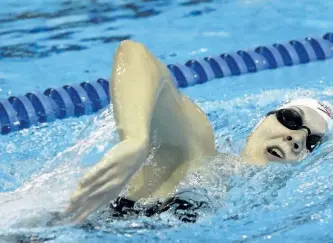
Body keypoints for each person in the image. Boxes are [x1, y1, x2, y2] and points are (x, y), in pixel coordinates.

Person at [64, 40, 333, 224]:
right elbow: (134, 54)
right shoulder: (198, 150)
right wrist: (135, 139)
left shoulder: (262, 209)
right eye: (292, 119)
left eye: (311, 143)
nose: (296, 138)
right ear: (262, 121)